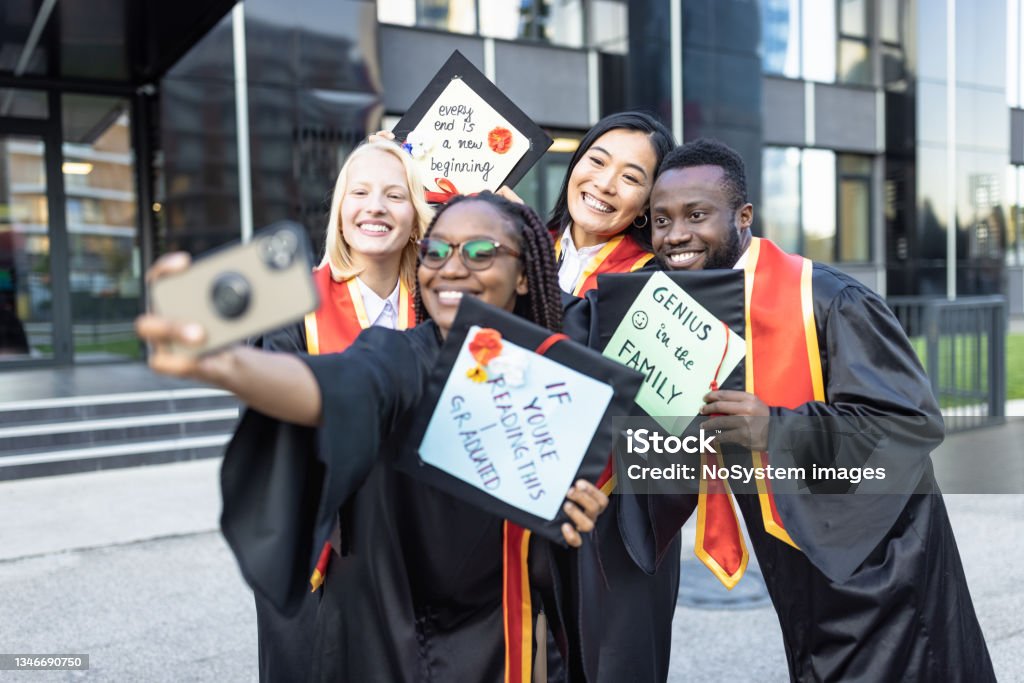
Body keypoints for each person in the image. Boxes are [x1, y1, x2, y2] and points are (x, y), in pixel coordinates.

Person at [136, 192, 609, 683]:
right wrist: (230, 364)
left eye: (479, 252)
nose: (450, 268)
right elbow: (341, 382)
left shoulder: (555, 384)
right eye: (436, 251)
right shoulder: (402, 357)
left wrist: (572, 519)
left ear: (526, 273)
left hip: (505, 641)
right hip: (392, 638)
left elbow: (552, 571)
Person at [636, 138, 995, 680]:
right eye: (660, 220)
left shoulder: (829, 299)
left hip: (883, 568)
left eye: (696, 214)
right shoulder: (688, 308)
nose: (675, 234)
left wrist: (777, 429)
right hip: (798, 562)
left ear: (744, 216)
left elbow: (912, 423)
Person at [250, 139, 432, 681]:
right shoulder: (294, 304)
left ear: (417, 214)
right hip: (322, 549)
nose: (375, 206)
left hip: (415, 548)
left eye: (395, 194)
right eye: (361, 192)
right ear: (340, 208)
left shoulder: (439, 304)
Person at [547, 111, 674, 298]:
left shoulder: (652, 281)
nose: (605, 185)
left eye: (630, 177)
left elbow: (586, 323)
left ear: (647, 203)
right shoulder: (534, 243)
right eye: (598, 161)